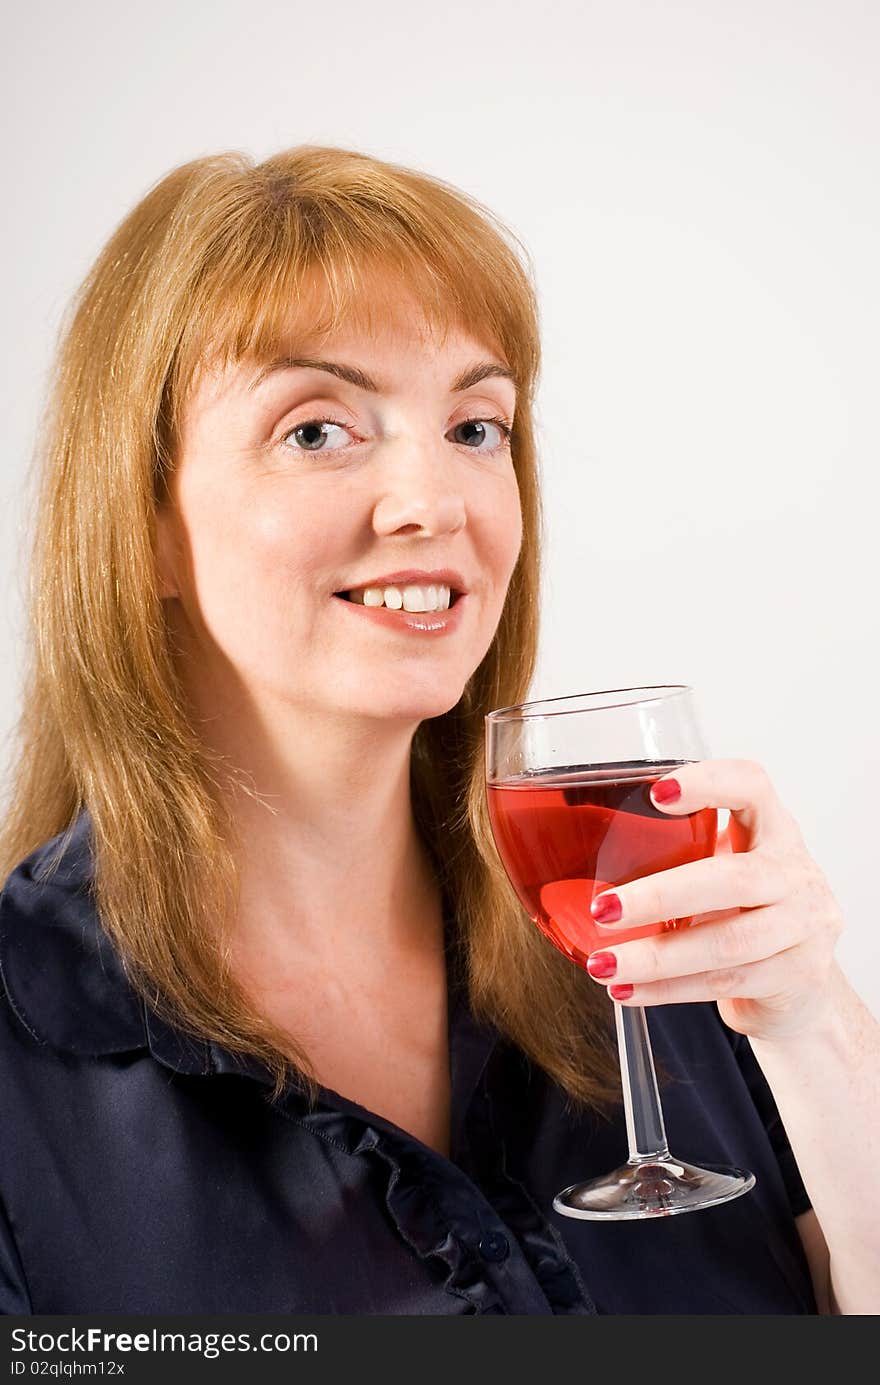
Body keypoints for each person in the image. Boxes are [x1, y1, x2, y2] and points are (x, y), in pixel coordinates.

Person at [0, 144, 877, 1316]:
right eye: (317, 429)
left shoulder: (650, 945)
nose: (436, 501)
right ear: (144, 520)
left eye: (475, 426)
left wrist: (816, 1019)